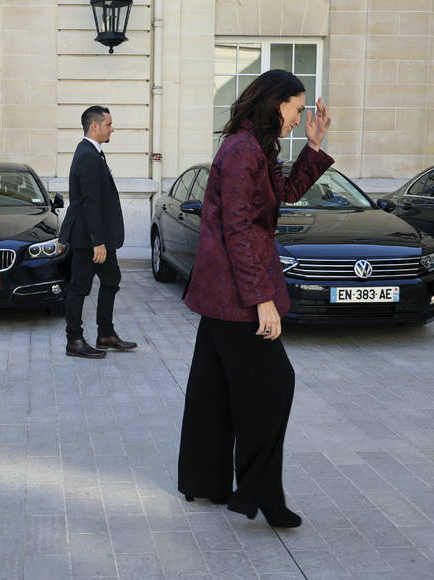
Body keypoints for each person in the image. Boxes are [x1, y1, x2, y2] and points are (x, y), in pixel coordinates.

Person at [178, 69, 333, 528]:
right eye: (297, 108)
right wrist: (261, 298)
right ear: (275, 102)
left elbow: (281, 195)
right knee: (275, 385)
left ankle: (205, 482)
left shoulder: (252, 147)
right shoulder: (244, 150)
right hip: (236, 293)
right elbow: (239, 230)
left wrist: (315, 145)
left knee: (213, 391)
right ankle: (260, 494)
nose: (300, 116)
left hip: (223, 293)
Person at [59, 105, 137, 359]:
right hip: (88, 239)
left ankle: (105, 334)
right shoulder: (87, 156)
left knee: (111, 280)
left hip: (99, 237)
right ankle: (74, 340)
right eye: (108, 124)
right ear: (95, 126)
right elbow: (90, 203)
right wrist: (98, 242)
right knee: (79, 288)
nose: (112, 128)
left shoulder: (93, 153)